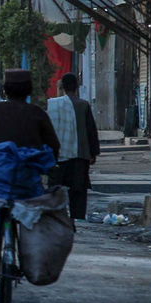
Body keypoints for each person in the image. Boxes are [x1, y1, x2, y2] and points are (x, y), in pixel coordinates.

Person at [0, 68, 60, 303]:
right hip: (25, 182)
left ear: (5, 90)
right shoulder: (37, 113)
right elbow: (54, 146)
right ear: (29, 91)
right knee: (36, 217)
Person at [46, 73, 100, 221]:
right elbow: (91, 130)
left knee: (55, 191)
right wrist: (93, 153)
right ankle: (78, 219)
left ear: (62, 87)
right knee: (78, 192)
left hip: (57, 157)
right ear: (77, 87)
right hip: (79, 156)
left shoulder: (51, 104)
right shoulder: (83, 105)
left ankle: (55, 219)